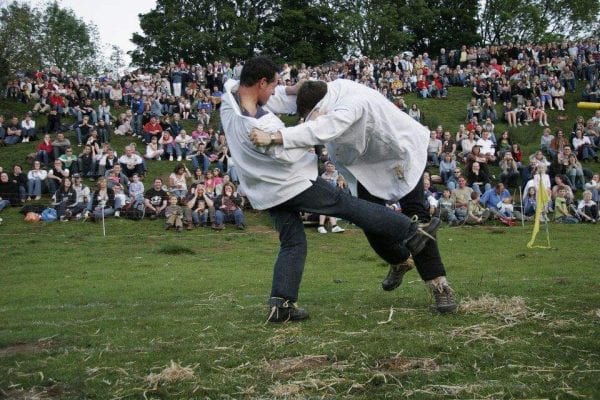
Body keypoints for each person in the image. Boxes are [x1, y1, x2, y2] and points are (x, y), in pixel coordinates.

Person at [243, 60, 454, 320]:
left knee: (417, 219)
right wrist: (241, 91)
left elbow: (321, 129)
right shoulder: (320, 92)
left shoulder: (350, 103)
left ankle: (440, 286)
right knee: (371, 220)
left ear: (320, 108)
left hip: (400, 154)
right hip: (366, 166)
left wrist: (277, 137)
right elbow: (270, 99)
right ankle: (399, 260)